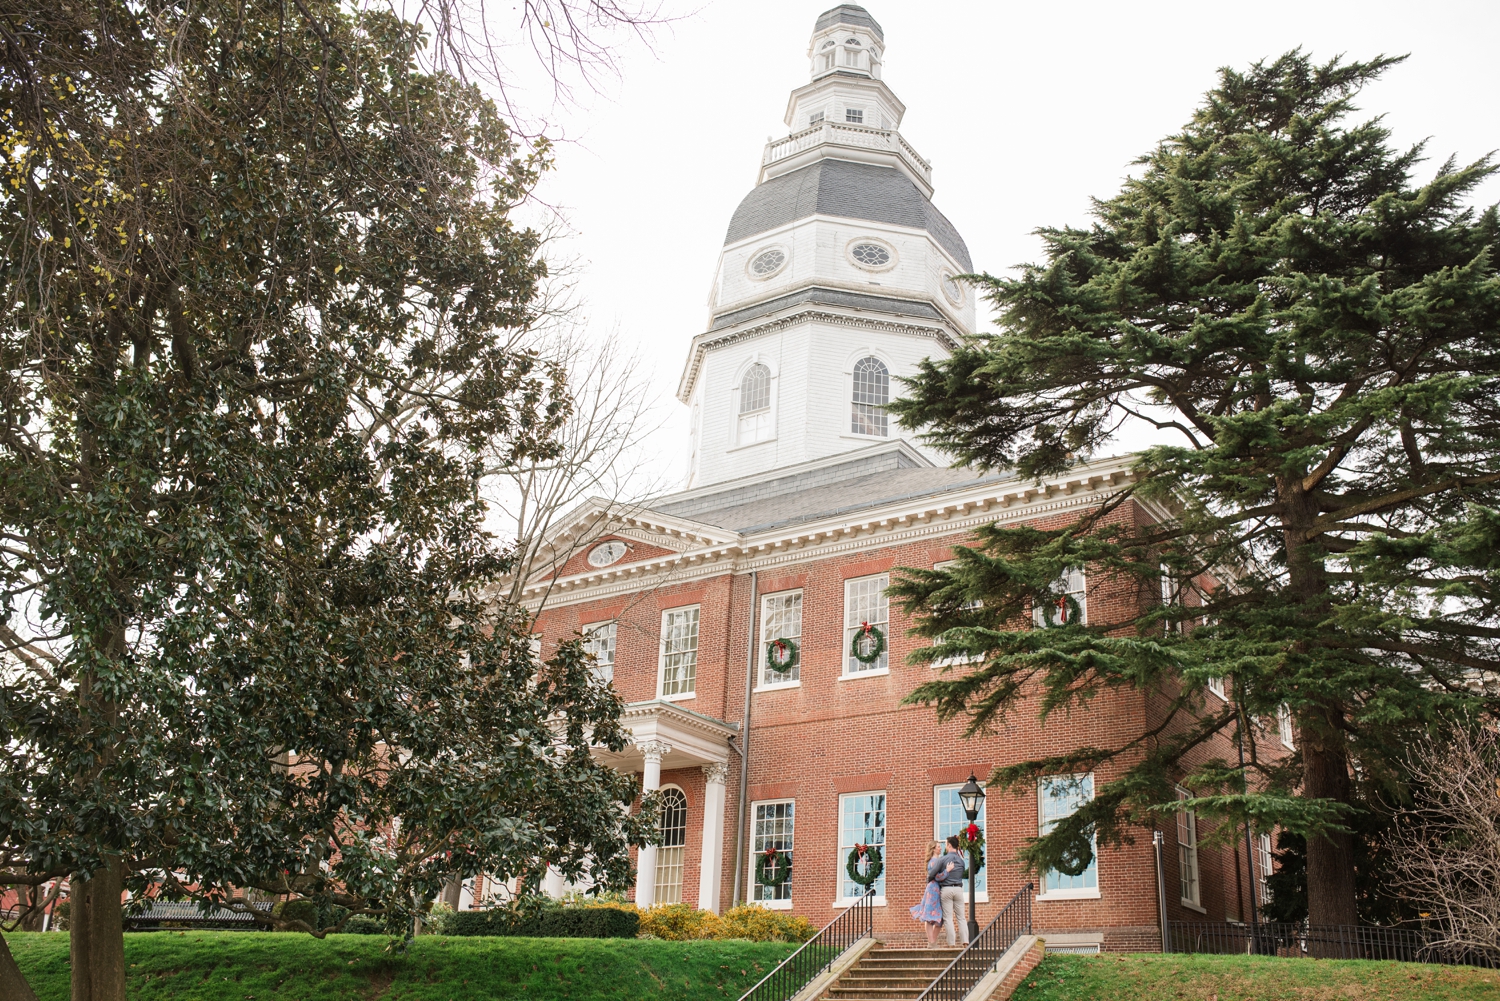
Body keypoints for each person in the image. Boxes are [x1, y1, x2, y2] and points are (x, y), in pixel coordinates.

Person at [909, 841, 949, 945]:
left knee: (940, 919)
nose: (941, 848)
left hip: (937, 890)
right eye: (939, 847)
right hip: (932, 890)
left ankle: (932, 942)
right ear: (933, 849)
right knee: (929, 916)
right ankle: (932, 942)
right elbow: (937, 876)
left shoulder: (937, 860)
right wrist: (947, 871)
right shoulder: (933, 861)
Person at [938, 834, 969, 946]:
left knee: (948, 918)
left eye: (946, 844)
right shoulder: (961, 861)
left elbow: (937, 874)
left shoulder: (943, 859)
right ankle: (965, 941)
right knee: (961, 917)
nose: (945, 846)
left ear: (950, 845)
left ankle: (951, 943)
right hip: (958, 890)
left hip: (946, 889)